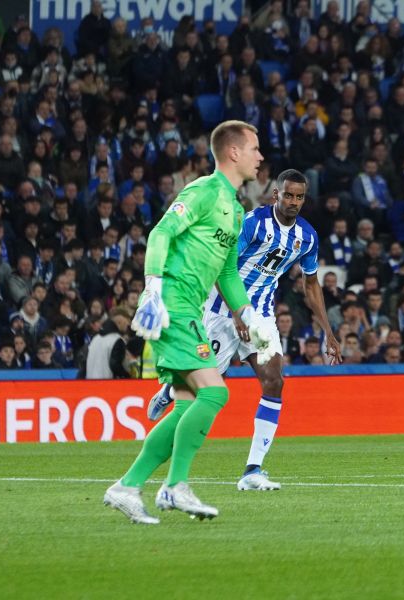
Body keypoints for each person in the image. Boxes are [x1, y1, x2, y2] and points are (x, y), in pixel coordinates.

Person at [104, 121, 269, 524]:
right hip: (171, 302)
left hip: (188, 308)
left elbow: (228, 274)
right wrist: (154, 287)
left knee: (186, 406)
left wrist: (248, 314)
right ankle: (175, 487)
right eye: (254, 148)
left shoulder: (235, 210)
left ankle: (126, 487)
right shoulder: (204, 191)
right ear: (233, 152)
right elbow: (161, 233)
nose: (260, 156)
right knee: (216, 394)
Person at [148, 169, 342, 491]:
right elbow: (222, 266)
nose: (293, 201)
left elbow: (311, 285)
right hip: (222, 311)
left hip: (261, 316)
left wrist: (329, 333)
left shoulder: (307, 237)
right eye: (288, 195)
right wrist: (237, 312)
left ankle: (252, 470)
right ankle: (170, 391)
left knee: (274, 380)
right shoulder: (252, 223)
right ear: (276, 194)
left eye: (299, 197)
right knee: (206, 388)